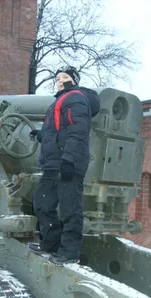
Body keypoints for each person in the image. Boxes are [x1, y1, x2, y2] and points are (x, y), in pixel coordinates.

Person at [28, 66, 100, 265]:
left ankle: (69, 252)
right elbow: (60, 131)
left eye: (65, 77)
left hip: (68, 163)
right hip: (53, 164)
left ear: (74, 80)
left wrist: (69, 160)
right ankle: (50, 243)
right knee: (42, 203)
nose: (60, 80)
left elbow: (77, 132)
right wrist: (40, 134)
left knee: (70, 208)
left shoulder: (75, 98)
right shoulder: (60, 100)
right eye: (58, 77)